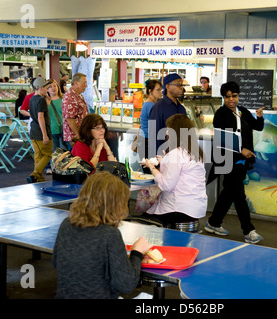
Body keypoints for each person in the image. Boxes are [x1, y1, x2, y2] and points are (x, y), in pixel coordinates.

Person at [53, 171, 152, 299]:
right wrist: (137, 252)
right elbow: (127, 284)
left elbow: (56, 262)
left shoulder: (66, 224)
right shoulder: (110, 235)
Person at [205, 81, 265, 244]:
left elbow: (257, 127)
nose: (231, 99)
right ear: (224, 97)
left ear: (238, 96)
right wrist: (240, 150)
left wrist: (259, 117)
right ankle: (249, 230)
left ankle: (213, 223)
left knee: (229, 193)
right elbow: (221, 139)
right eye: (228, 96)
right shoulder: (220, 114)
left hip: (241, 162)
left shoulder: (243, 111)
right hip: (227, 160)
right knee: (238, 195)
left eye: (234, 96)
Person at [142, 114, 207, 228]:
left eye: (168, 130)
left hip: (179, 208)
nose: (166, 133)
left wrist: (151, 166)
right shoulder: (196, 152)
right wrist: (165, 161)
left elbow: (166, 185)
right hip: (197, 207)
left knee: (144, 217)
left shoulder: (175, 154)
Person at [148, 73, 186, 155]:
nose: (181, 88)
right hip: (164, 156)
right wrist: (156, 162)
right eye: (178, 85)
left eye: (182, 85)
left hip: (181, 156)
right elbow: (153, 136)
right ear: (168, 86)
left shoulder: (181, 109)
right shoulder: (158, 107)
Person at [27, 78, 53, 183]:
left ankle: (39, 179)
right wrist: (45, 135)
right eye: (47, 88)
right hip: (41, 131)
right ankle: (35, 175)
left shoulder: (32, 99)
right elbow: (41, 117)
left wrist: (48, 102)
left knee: (38, 156)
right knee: (47, 155)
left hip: (33, 130)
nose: (48, 90)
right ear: (41, 88)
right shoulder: (41, 100)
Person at [137, 79, 163, 170]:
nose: (160, 92)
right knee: (151, 173)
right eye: (158, 90)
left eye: (161, 89)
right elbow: (155, 126)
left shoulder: (151, 103)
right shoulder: (150, 105)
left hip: (146, 140)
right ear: (150, 91)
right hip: (147, 142)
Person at [62, 72, 89, 149]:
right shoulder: (69, 97)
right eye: (84, 83)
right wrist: (78, 135)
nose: (86, 85)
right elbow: (70, 119)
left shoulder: (78, 95)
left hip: (80, 136)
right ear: (76, 83)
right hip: (74, 138)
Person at [47, 79, 68, 151]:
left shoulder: (64, 99)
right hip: (51, 130)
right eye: (50, 87)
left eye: (54, 86)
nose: (53, 88)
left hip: (64, 131)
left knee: (65, 153)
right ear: (46, 89)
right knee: (54, 153)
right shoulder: (45, 101)